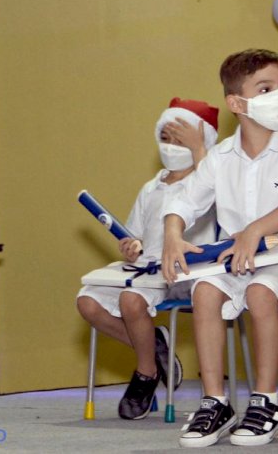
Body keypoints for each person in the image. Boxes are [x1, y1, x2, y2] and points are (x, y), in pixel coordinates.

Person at [161, 49, 278, 447]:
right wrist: (172, 231)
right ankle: (215, 401)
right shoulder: (219, 157)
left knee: (260, 291)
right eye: (266, 88)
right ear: (237, 103)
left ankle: (266, 400)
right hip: (236, 261)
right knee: (204, 290)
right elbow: (183, 201)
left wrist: (254, 230)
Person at [77, 98, 219, 420]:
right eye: (166, 139)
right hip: (148, 268)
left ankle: (146, 371)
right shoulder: (152, 186)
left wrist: (200, 154)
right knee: (88, 303)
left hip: (188, 272)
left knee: (130, 300)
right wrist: (130, 246)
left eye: (181, 141)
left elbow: (220, 195)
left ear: (202, 143)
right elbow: (135, 234)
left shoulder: (207, 181)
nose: (171, 147)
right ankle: (155, 346)